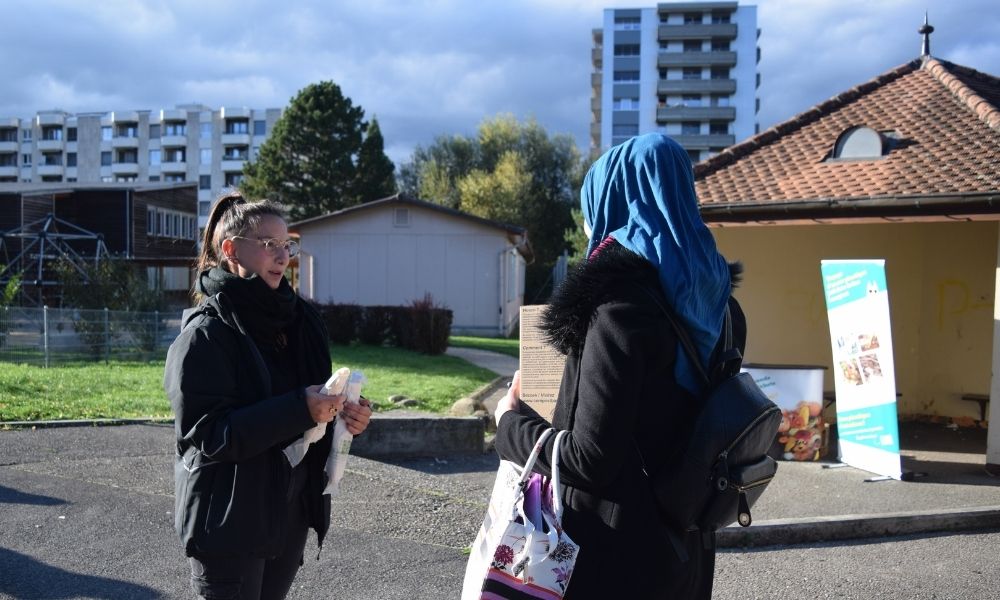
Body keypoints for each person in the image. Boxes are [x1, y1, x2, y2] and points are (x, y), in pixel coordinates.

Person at [493, 133, 745, 599]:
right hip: (686, 547)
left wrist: (509, 423)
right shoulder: (724, 309)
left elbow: (591, 460)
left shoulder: (617, 309)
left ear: (613, 202)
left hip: (615, 560)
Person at [164, 192, 372, 600]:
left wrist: (345, 416)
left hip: (287, 512)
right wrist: (301, 408)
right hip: (229, 521)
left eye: (287, 245)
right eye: (268, 245)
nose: (283, 256)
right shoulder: (206, 335)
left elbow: (308, 412)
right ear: (230, 250)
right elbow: (209, 434)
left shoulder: (298, 323)